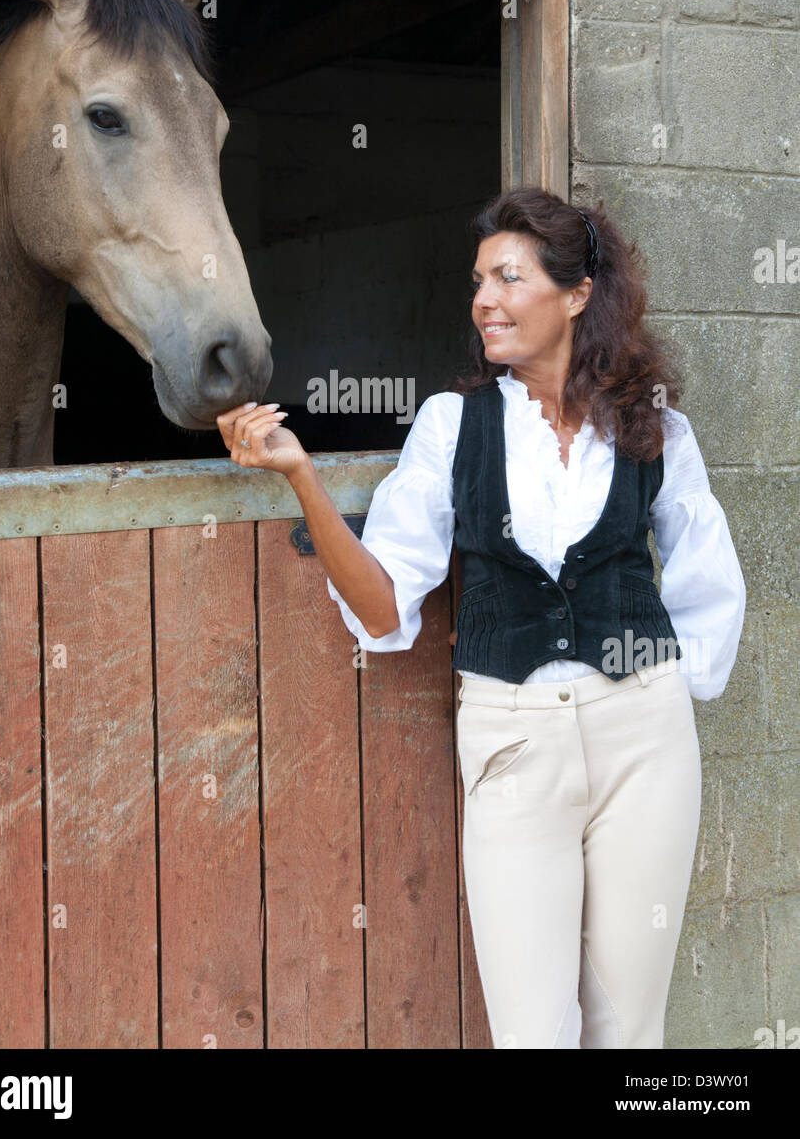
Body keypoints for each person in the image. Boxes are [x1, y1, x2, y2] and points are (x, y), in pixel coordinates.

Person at [215, 185, 746, 1050]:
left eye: (507, 278)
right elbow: (385, 604)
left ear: (576, 295)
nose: (483, 301)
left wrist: (660, 697)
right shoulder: (450, 426)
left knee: (629, 1030)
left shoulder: (652, 428)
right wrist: (302, 479)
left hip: (645, 741)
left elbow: (706, 584)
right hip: (511, 739)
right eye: (477, 281)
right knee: (532, 1033)